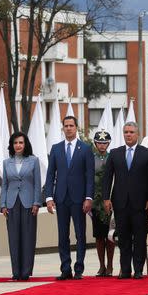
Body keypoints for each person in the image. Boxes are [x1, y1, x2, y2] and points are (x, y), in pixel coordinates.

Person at [103, 121, 148, 279]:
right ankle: (125, 270)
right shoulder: (115, 153)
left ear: (137, 134)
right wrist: (106, 198)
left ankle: (138, 269)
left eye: (131, 132)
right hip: (120, 203)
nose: (128, 134)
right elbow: (107, 178)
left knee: (140, 238)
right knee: (123, 238)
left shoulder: (147, 153)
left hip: (141, 204)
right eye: (126, 132)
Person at [45, 115, 95, 280]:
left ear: (76, 127)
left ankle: (79, 268)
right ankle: (65, 268)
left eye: (71, 125)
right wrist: (49, 197)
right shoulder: (56, 148)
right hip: (61, 198)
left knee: (80, 234)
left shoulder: (86, 148)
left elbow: (89, 175)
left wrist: (89, 197)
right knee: (62, 235)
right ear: (63, 128)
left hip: (79, 198)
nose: (68, 128)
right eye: (66, 126)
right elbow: (51, 174)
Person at [0, 131, 42, 281]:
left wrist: (37, 202)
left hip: (29, 203)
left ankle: (25, 272)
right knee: (13, 238)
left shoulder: (33, 160)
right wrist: (3, 204)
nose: (18, 145)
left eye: (21, 142)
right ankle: (16, 272)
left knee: (28, 237)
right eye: (15, 143)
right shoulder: (6, 162)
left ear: (26, 144)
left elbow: (38, 183)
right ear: (12, 145)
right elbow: (4, 185)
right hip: (11, 204)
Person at [91, 130, 115, 277]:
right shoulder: (91, 158)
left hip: (111, 201)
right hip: (95, 202)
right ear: (95, 143)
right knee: (99, 236)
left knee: (110, 235)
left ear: (108, 143)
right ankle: (101, 266)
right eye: (99, 142)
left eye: (105, 143)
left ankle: (111, 265)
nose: (102, 145)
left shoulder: (112, 158)